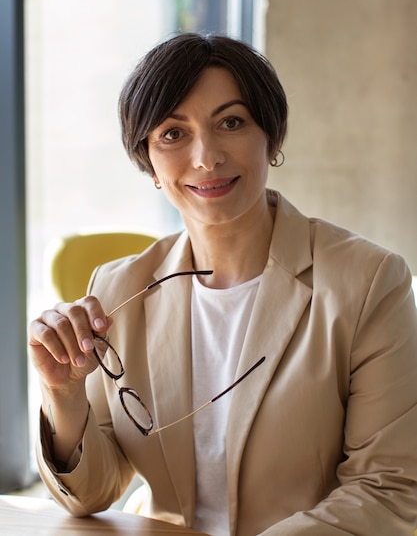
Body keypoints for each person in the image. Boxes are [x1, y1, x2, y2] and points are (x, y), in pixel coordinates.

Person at [29, 32, 417, 536]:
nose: (206, 157)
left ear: (270, 138)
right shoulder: (119, 285)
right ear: (147, 159)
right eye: (173, 133)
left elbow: (389, 489)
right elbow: (95, 492)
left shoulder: (368, 282)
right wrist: (63, 395)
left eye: (231, 122)